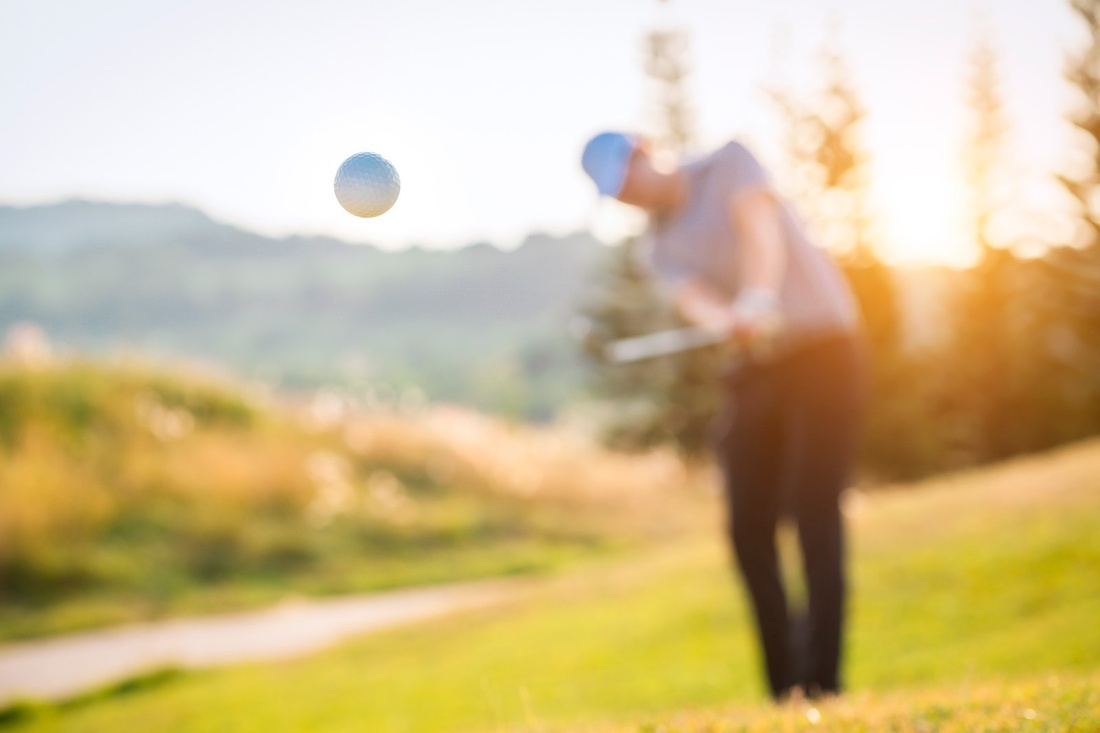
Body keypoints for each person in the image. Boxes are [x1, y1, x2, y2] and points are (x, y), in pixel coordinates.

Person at [580, 132, 867, 701]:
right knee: (746, 526)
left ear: (645, 151)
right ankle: (785, 690)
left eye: (627, 181)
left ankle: (823, 684)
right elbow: (692, 298)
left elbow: (759, 229)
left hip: (824, 348)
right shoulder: (656, 245)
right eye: (617, 196)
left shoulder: (728, 163)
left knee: (813, 510)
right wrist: (727, 321)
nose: (628, 199)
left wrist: (759, 296)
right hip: (757, 364)